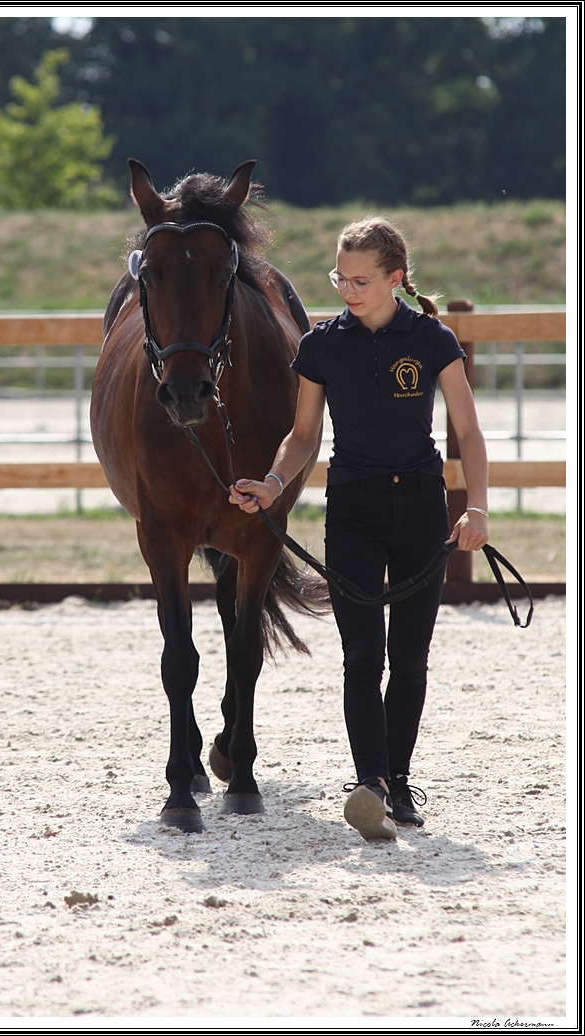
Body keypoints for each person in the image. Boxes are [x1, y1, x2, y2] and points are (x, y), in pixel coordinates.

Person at [229, 217, 489, 840]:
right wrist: (270, 482)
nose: (348, 290)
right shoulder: (321, 346)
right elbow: (303, 436)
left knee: (410, 657)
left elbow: (470, 433)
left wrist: (475, 507)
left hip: (423, 507)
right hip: (352, 509)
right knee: (362, 655)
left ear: (396, 278)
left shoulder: (432, 340)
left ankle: (399, 782)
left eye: (362, 280)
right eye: (340, 278)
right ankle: (369, 780)